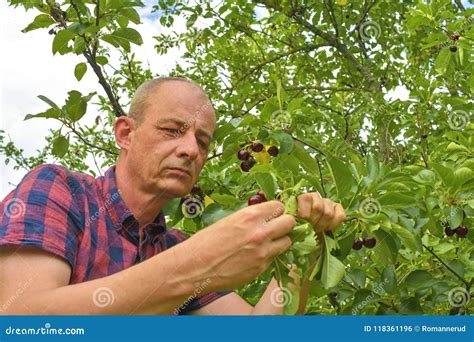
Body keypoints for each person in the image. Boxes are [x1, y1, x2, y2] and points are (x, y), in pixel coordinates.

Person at [0, 77, 346, 315]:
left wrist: (304, 248)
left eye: (202, 142)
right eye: (171, 130)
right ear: (126, 133)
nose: (190, 150)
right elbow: (18, 319)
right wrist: (196, 265)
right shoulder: (61, 190)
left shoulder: (172, 245)